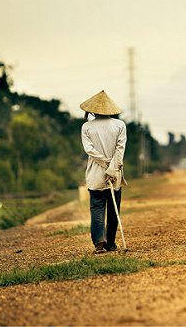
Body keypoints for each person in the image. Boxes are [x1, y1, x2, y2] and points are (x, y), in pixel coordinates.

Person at [80, 90, 127, 253]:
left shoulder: (86, 127)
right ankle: (111, 243)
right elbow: (120, 149)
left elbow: (89, 150)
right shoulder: (119, 125)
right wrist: (112, 166)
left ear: (93, 110)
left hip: (95, 174)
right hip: (115, 174)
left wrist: (104, 163)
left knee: (97, 207)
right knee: (114, 208)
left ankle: (99, 243)